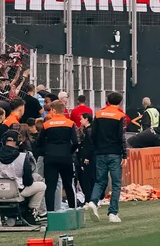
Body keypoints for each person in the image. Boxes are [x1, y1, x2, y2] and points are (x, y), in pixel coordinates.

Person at [0, 129, 45, 226]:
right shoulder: (22, 157)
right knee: (41, 186)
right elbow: (28, 181)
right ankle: (30, 211)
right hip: (16, 192)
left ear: (2, 142)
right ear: (19, 143)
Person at [84, 92, 128, 224]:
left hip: (100, 152)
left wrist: (95, 149)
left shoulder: (98, 114)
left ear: (107, 100)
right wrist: (124, 154)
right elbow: (122, 137)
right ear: (120, 102)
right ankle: (113, 213)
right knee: (115, 184)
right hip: (114, 153)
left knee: (100, 181)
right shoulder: (121, 116)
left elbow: (93, 134)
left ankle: (93, 201)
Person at [38, 100, 78, 212]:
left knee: (50, 186)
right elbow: (75, 142)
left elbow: (39, 142)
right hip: (66, 157)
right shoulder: (70, 123)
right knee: (68, 184)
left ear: (54, 110)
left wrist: (47, 150)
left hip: (50, 157)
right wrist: (69, 151)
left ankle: (50, 212)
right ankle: (72, 209)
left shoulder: (46, 125)